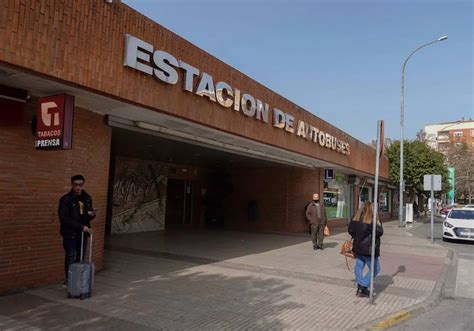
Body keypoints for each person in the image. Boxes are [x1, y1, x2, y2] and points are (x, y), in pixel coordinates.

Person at [58, 175, 96, 285]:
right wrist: (81, 226)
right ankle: (69, 280)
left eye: (80, 184)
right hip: (70, 233)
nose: (78, 187)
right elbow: (64, 218)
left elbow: (87, 215)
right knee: (70, 255)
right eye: (76, 185)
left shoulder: (87, 198)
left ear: (83, 184)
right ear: (72, 185)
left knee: (81, 256)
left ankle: (78, 280)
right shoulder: (66, 199)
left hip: (83, 233)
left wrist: (92, 214)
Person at [348, 201, 383, 297]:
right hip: (368, 249)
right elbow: (380, 232)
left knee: (359, 265)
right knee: (376, 268)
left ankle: (360, 284)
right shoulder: (372, 219)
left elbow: (350, 231)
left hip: (358, 247)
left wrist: (357, 235)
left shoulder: (355, 218)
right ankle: (362, 286)